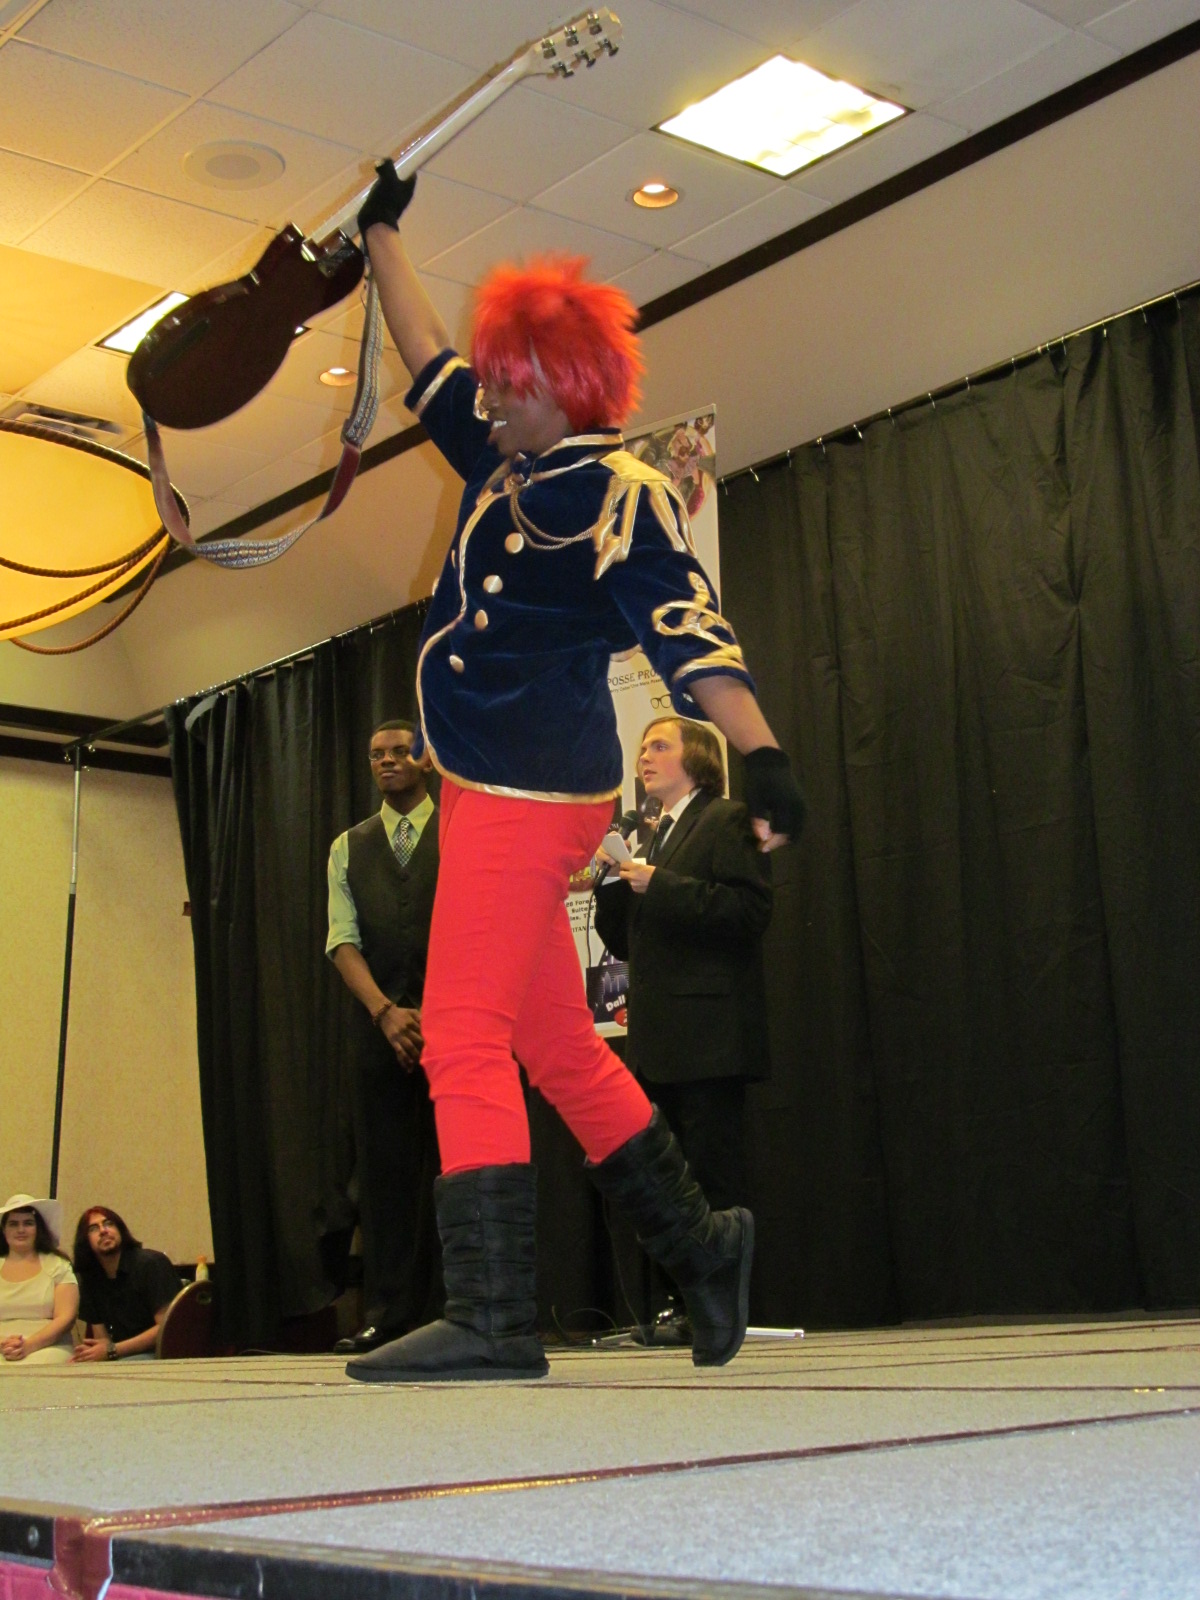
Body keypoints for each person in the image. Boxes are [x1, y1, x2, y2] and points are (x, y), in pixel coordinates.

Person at [346, 165, 806, 1384]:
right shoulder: (503, 460)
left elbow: (689, 635)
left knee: (459, 1031)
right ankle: (704, 1245)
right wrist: (381, 234)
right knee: (556, 1042)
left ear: (563, 387)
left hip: (532, 790)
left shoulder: (622, 493)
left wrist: (761, 756)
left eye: (510, 383)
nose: (488, 397)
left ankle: (493, 1312)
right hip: (485, 785)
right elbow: (428, 353)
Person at [595, 718, 773, 1341]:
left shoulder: (726, 818)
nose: (644, 756)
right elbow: (629, 940)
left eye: (659, 746)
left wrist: (659, 883)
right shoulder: (651, 833)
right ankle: (684, 1305)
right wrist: (613, 881)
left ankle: (721, 1309)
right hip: (658, 1041)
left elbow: (749, 911)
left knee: (711, 1176)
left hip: (710, 1035)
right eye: (642, 747)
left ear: (696, 758)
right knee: (670, 1181)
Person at [326, 718, 442, 1354]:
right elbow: (341, 941)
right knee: (385, 1181)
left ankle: (459, 1309)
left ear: (425, 760)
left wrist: (437, 1012)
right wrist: (385, 1012)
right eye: (377, 755)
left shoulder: (460, 830)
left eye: (400, 752)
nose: (388, 761)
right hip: (379, 1036)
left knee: (456, 1174)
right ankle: (388, 1315)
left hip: (456, 1031)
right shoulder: (349, 846)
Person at [71, 1206, 181, 1362]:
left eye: (108, 1224)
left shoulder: (151, 1264)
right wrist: (89, 1355)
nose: (103, 1231)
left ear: (121, 1230)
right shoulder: (90, 1278)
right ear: (85, 1242)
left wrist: (112, 1350)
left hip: (161, 1352)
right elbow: (102, 1340)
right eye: (93, 1229)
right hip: (122, 1355)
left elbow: (166, 1328)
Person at [0, 1194, 78, 1366]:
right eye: (13, 1224)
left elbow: (66, 1317)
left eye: (28, 1223)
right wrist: (5, 1345)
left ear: (38, 1229)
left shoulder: (58, 1265)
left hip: (49, 1348)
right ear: (4, 1230)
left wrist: (28, 1346)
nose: (21, 1230)